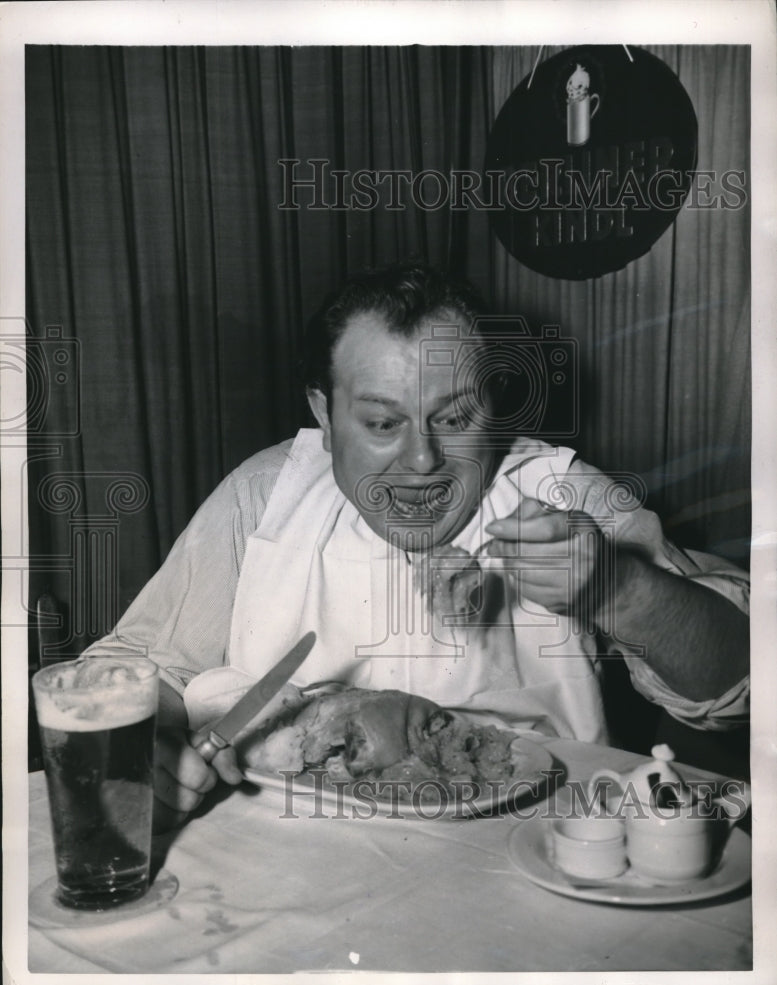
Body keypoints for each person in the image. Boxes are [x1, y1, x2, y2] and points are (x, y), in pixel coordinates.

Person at [91, 262, 749, 830]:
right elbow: (144, 665)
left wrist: (621, 590)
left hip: (520, 856)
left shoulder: (559, 494)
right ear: (323, 413)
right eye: (382, 423)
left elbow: (743, 687)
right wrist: (145, 741)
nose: (422, 458)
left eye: (454, 418)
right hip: (290, 854)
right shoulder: (264, 494)